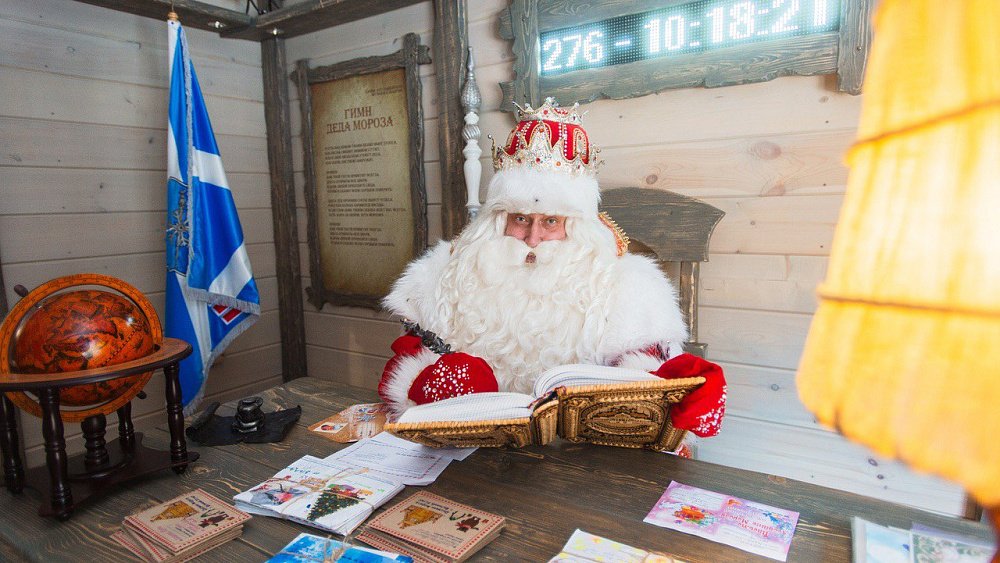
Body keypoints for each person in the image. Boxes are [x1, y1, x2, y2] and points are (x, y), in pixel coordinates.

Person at [377, 99, 726, 441]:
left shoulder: (628, 285)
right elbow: (408, 363)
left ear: (576, 225)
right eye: (520, 219)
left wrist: (675, 389)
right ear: (499, 220)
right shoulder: (447, 274)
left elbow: (648, 375)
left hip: (578, 458)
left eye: (551, 221)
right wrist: (431, 383)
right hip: (472, 450)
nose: (533, 238)